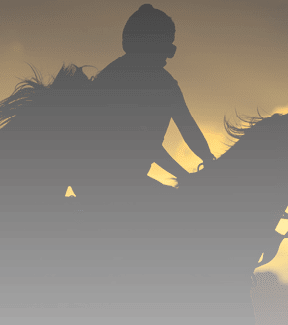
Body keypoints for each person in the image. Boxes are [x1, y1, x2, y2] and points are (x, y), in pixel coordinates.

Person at [78, 4, 216, 202]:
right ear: (149, 43)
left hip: (119, 181)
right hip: (104, 184)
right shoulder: (121, 79)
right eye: (167, 45)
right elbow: (145, 144)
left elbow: (188, 127)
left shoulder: (162, 83)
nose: (169, 54)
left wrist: (208, 159)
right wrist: (185, 175)